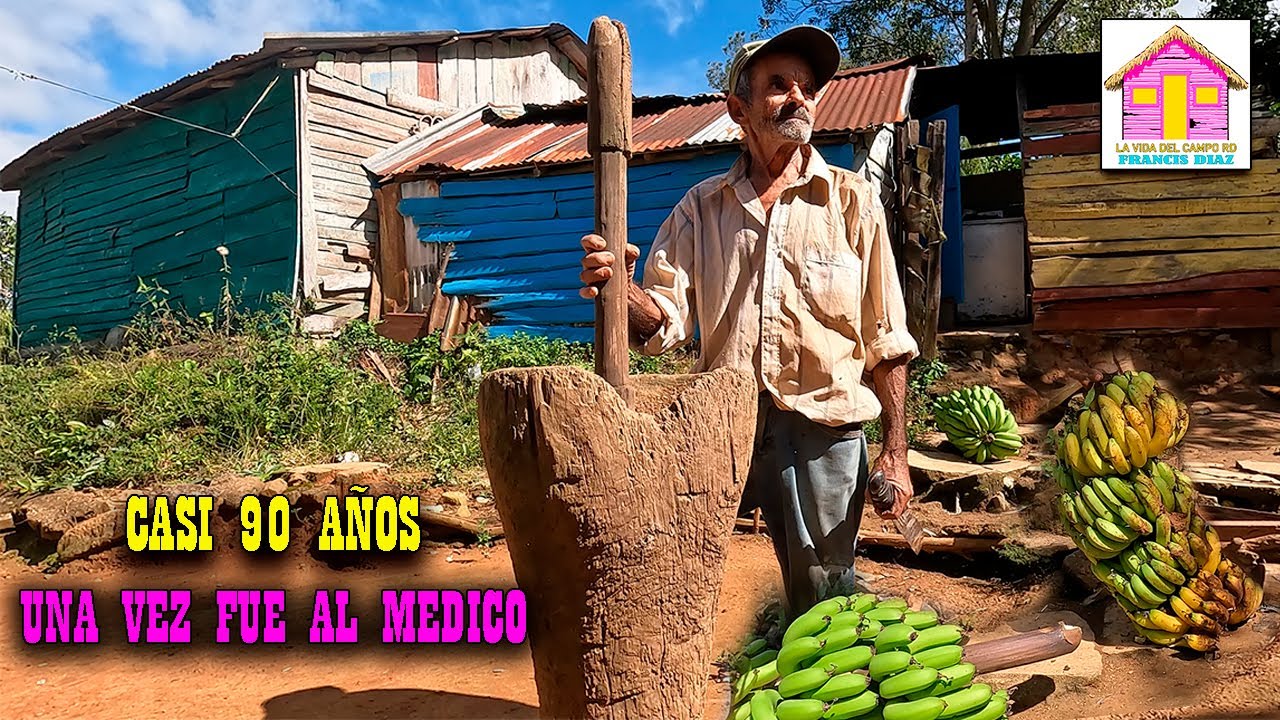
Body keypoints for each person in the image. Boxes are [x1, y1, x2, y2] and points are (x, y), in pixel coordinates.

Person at [578, 25, 919, 616]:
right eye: (779, 85)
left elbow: (886, 337)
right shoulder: (701, 208)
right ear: (738, 108)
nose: (799, 98)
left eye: (807, 87)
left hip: (825, 428)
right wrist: (619, 291)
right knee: (684, 578)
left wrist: (895, 450)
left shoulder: (851, 200)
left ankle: (823, 696)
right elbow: (663, 319)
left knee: (825, 593)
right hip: (725, 428)